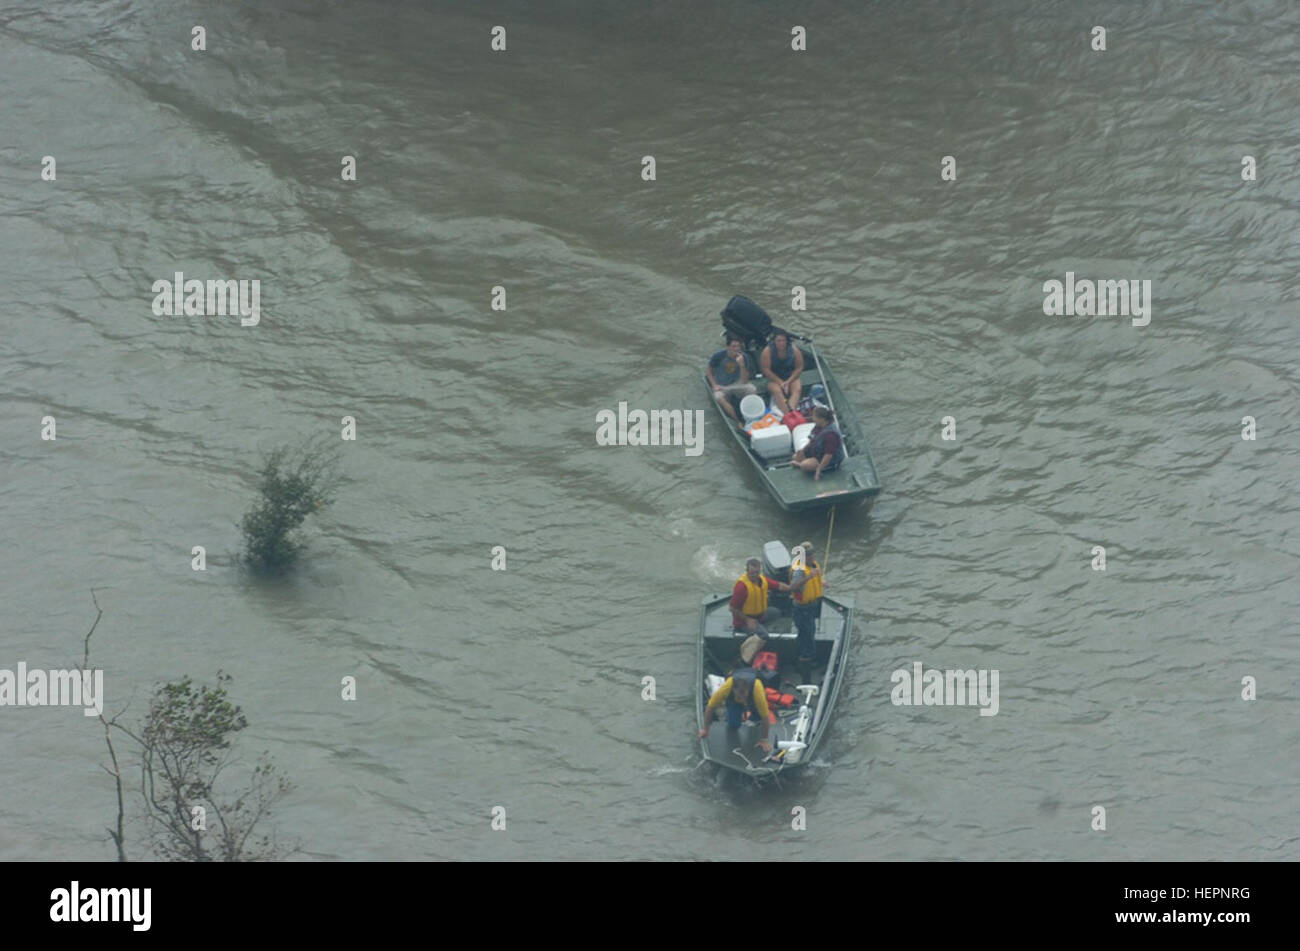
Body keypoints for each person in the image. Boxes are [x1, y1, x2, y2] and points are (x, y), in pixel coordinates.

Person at [697, 665, 773, 754]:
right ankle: (737, 709)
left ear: (748, 690)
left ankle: (754, 720)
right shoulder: (726, 688)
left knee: (759, 717)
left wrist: (764, 739)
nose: (742, 700)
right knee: (733, 724)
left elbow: (765, 717)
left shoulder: (757, 690)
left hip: (752, 700)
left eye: (743, 696)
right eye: (739, 696)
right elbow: (710, 707)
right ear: (733, 689)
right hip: (733, 701)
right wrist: (706, 729)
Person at [730, 558, 789, 637]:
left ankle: (759, 625)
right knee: (763, 635)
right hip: (744, 621)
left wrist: (791, 587)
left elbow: (779, 585)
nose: (755, 575)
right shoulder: (741, 587)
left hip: (760, 615)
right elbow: (732, 608)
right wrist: (747, 620)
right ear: (747, 571)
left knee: (777, 612)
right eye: (752, 573)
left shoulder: (762, 580)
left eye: (757, 572)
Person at [789, 541, 824, 670]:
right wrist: (809, 577)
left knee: (809, 632)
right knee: (806, 634)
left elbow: (814, 580)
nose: (812, 557)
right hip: (802, 609)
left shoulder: (812, 566)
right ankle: (805, 660)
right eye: (808, 555)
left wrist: (821, 581)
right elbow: (794, 586)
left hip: (812, 606)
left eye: (812, 554)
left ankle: (806, 656)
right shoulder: (799, 570)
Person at [707, 335, 757, 423]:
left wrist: (742, 365)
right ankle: (737, 421)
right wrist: (714, 385)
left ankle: (750, 416)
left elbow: (745, 381)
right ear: (728, 347)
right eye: (733, 346)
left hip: (736, 383)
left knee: (752, 389)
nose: (736, 349)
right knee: (719, 397)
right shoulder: (719, 356)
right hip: (722, 385)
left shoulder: (744, 357)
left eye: (738, 346)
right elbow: (709, 371)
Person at [791, 405, 845, 481]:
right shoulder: (818, 426)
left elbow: (828, 455)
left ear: (822, 419)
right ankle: (805, 463)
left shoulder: (831, 435)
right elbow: (811, 441)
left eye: (814, 417)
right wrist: (802, 450)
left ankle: (803, 465)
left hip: (829, 459)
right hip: (817, 451)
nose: (813, 419)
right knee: (795, 457)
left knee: (805, 465)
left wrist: (819, 470)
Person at [760, 329, 804, 415]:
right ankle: (787, 414)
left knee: (797, 389)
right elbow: (766, 370)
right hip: (773, 379)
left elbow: (799, 367)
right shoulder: (767, 351)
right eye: (778, 341)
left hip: (790, 377)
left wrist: (788, 382)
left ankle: (792, 410)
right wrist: (781, 383)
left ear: (787, 341)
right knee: (777, 391)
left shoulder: (794, 350)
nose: (781, 343)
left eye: (783, 340)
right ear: (774, 341)